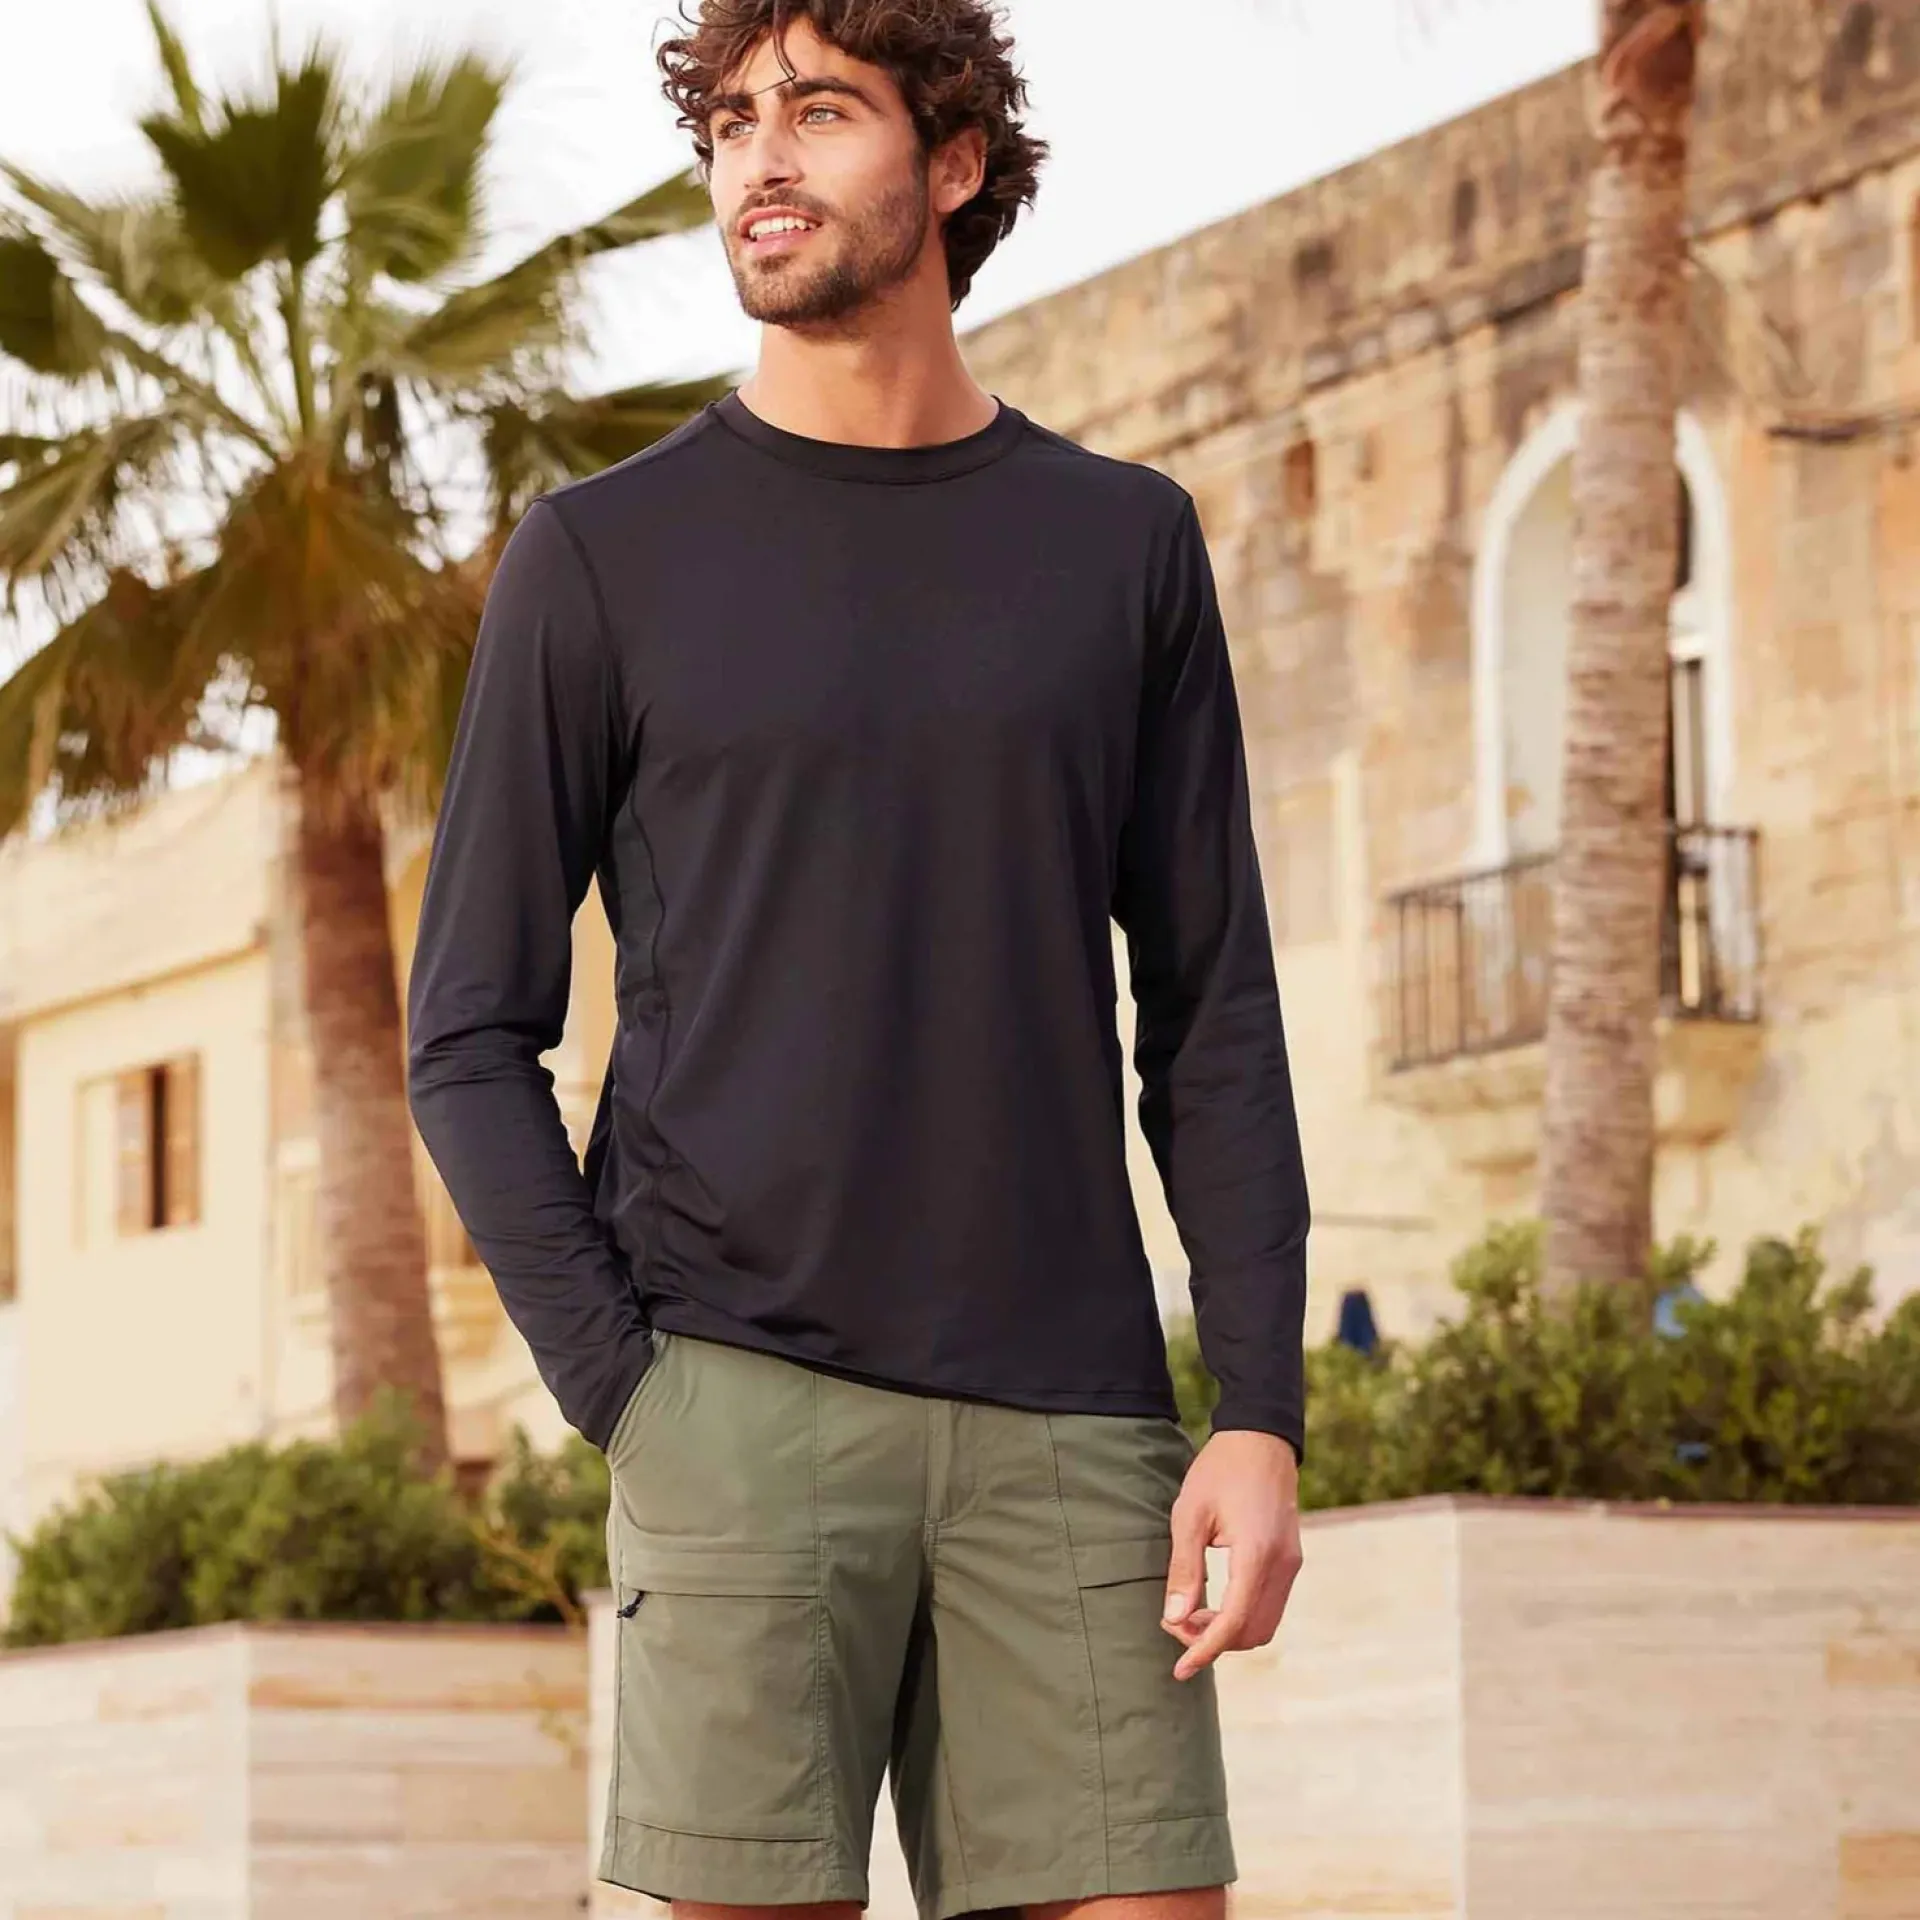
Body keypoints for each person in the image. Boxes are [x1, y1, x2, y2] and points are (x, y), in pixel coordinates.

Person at [406, 3, 1310, 1917]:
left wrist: (1255, 1409)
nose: (762, 157)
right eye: (734, 119)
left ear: (955, 159)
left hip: (1073, 1421)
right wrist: (630, 1394)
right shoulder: (601, 558)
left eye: (819, 110)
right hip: (733, 1405)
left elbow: (1212, 1010)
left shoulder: (1123, 545)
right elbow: (468, 1031)